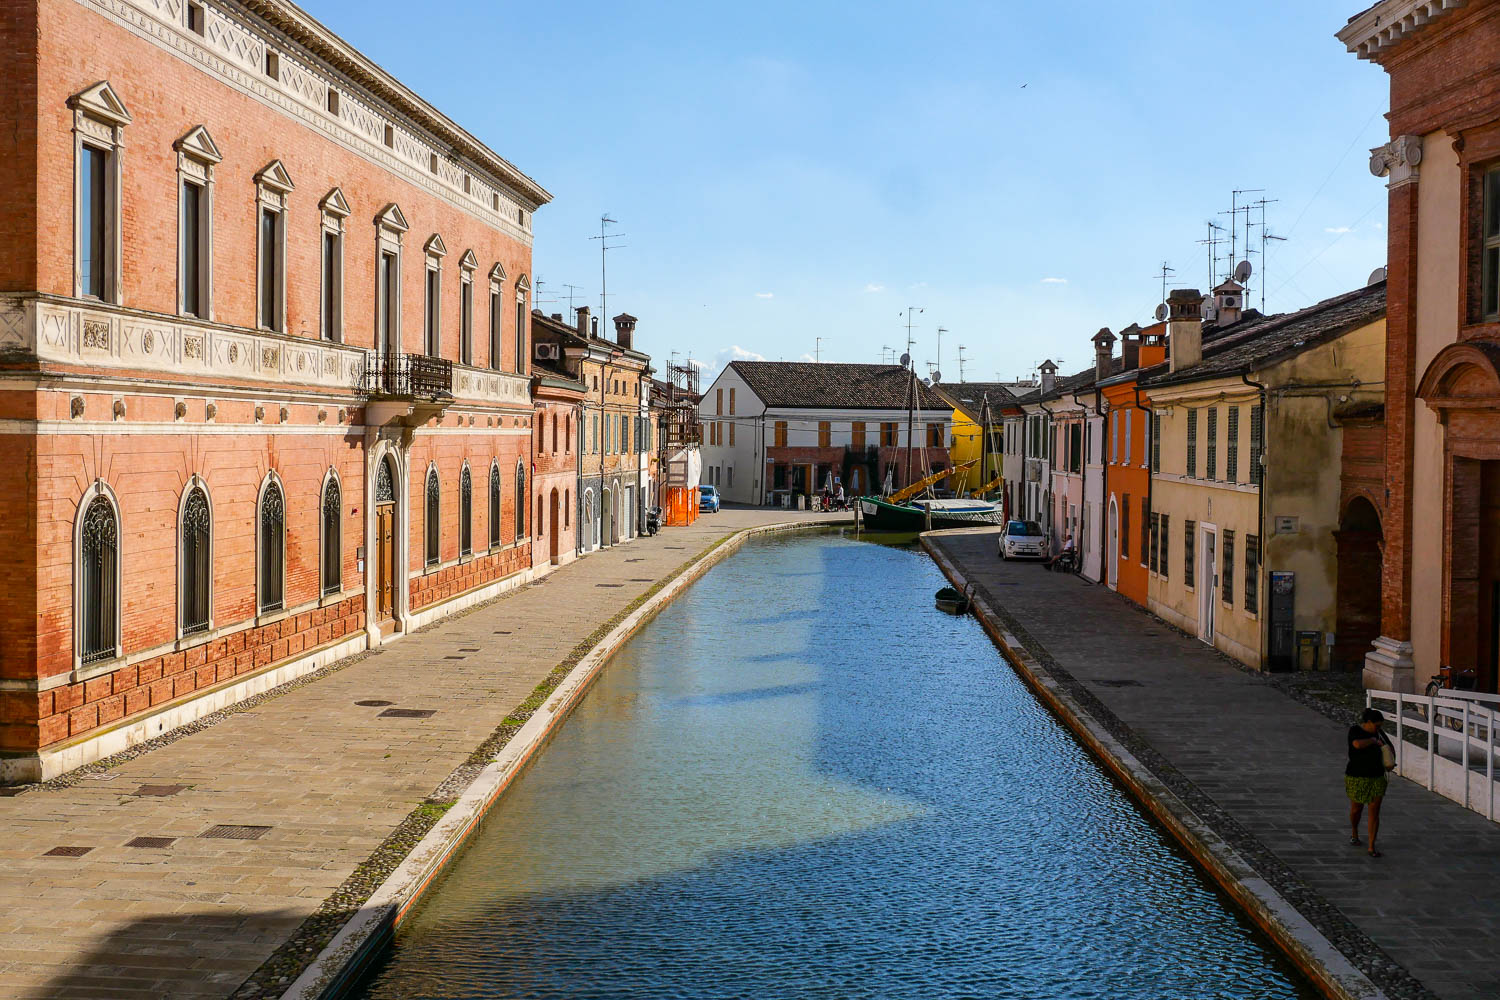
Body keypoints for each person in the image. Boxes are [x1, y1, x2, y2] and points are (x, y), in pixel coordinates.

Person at [1346, 707, 1393, 857]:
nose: (1379, 728)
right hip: (1357, 776)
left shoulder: (1380, 733)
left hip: (1377, 776)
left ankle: (1372, 846)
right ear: (1368, 722)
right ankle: (1354, 832)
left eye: (1380, 726)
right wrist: (1372, 740)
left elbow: (1390, 749)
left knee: (1374, 810)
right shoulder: (1355, 730)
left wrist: (1390, 762)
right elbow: (1356, 745)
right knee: (1356, 809)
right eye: (1377, 725)